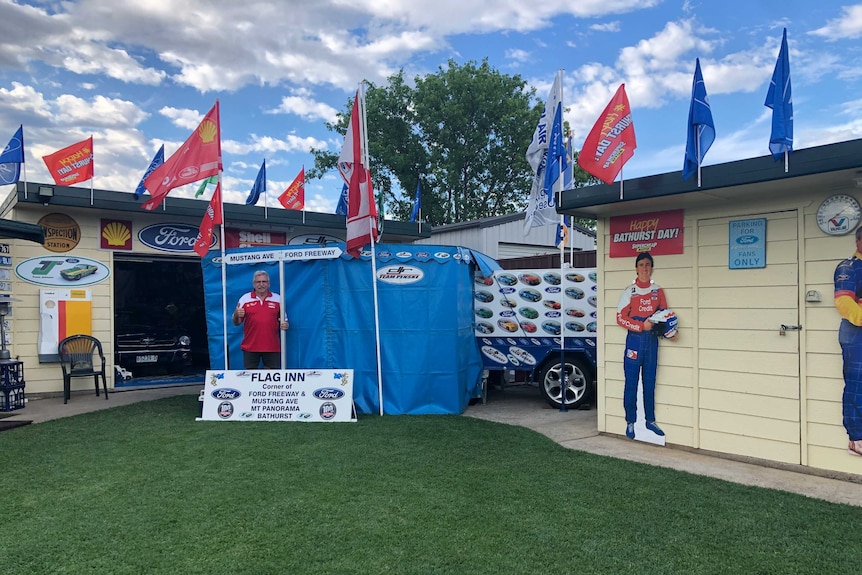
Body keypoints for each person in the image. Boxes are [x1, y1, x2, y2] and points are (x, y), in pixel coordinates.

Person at [616, 252, 677, 440]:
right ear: (636, 268)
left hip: (651, 341)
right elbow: (620, 318)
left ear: (652, 268)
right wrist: (641, 326)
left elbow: (665, 315)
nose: (645, 268)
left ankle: (650, 421)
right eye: (641, 264)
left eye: (648, 264)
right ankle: (630, 422)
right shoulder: (629, 291)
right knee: (631, 383)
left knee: (650, 382)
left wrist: (671, 332)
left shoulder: (658, 291)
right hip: (634, 341)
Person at [833, 226, 862, 457]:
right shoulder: (848, 267)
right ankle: (857, 438)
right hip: (856, 333)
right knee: (857, 385)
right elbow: (844, 303)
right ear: (857, 241)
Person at [232, 270, 289, 369]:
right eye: (258, 282)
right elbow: (236, 323)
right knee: (250, 377)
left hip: (271, 346)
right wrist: (236, 315)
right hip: (250, 346)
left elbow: (284, 321)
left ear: (269, 284)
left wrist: (285, 324)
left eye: (264, 282)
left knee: (270, 378)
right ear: (254, 284)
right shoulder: (245, 299)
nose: (261, 284)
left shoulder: (278, 299)